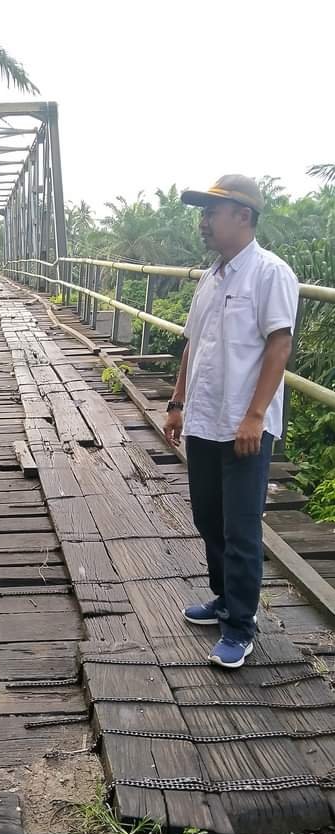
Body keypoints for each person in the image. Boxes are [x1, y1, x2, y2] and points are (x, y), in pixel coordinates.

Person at [164, 174, 298, 669]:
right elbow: (193, 344)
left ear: (242, 216)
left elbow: (279, 345)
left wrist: (256, 416)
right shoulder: (210, 277)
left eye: (212, 212)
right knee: (207, 517)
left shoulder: (270, 273)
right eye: (203, 212)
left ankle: (241, 625)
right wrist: (177, 402)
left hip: (244, 426)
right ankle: (223, 600)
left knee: (241, 528)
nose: (204, 221)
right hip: (203, 418)